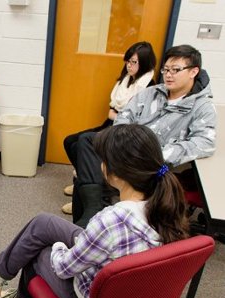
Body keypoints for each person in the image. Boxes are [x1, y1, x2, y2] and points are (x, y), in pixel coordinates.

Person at [0, 124, 189, 298]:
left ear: (116, 174)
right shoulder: (167, 205)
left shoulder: (109, 221)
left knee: (39, 246)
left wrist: (58, 246)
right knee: (44, 223)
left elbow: (63, 268)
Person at [71, 44, 216, 227]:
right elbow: (124, 116)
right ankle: (91, 212)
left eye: (175, 70)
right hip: (127, 149)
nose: (168, 75)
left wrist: (157, 154)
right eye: (166, 69)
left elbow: (204, 142)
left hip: (151, 164)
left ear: (193, 71)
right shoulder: (152, 93)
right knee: (86, 143)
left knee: (87, 171)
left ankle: (91, 214)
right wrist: (124, 142)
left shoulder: (202, 106)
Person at [61, 41, 156, 215]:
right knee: (70, 141)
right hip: (110, 123)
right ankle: (83, 179)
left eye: (134, 62)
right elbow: (113, 109)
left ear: (145, 64)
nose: (129, 65)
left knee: (85, 143)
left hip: (124, 132)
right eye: (128, 61)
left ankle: (90, 192)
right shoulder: (126, 80)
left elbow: (135, 120)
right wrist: (114, 114)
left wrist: (116, 115)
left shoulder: (150, 88)